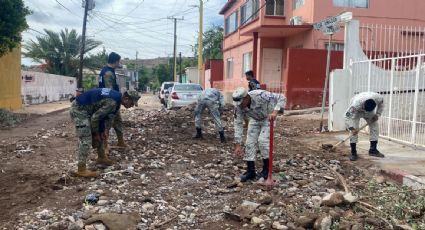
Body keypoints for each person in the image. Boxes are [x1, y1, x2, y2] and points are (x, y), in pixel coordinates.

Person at [70, 88, 140, 177]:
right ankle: (81, 169)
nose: (132, 106)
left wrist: (102, 131)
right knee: (86, 139)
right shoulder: (113, 102)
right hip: (79, 110)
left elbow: (102, 117)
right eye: (132, 103)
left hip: (88, 110)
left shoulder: (117, 100)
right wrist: (95, 133)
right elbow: (95, 118)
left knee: (102, 135)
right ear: (126, 98)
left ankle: (101, 157)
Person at [232, 87, 286, 182]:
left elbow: (282, 97)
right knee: (249, 143)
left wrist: (275, 112)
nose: (240, 106)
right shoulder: (239, 107)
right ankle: (250, 172)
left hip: (268, 118)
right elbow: (238, 123)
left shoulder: (260, 95)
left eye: (241, 103)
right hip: (255, 119)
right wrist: (237, 144)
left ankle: (266, 170)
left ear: (246, 97)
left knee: (263, 141)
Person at [344, 92, 385, 161]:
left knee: (374, 126)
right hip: (357, 112)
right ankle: (353, 153)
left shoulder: (378, 98)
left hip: (370, 112)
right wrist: (352, 128)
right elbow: (347, 117)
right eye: (364, 109)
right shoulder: (355, 105)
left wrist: (377, 114)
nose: (364, 112)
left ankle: (373, 150)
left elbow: (381, 104)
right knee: (354, 130)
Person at [98, 52, 126, 147]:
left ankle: (121, 142)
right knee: (107, 125)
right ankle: (103, 147)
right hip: (109, 103)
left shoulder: (109, 71)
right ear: (116, 61)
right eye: (119, 61)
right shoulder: (108, 73)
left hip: (113, 103)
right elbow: (109, 91)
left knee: (118, 121)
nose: (120, 63)